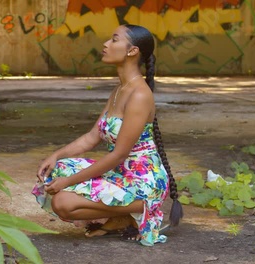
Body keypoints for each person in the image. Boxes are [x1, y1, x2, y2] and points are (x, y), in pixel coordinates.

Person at [31, 24, 183, 246]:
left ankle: (142, 207)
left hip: (141, 180)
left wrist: (68, 182)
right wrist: (55, 155)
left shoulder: (140, 94)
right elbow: (93, 136)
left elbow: (118, 155)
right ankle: (120, 216)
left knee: (63, 202)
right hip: (120, 172)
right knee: (56, 170)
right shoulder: (120, 89)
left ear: (132, 51)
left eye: (114, 40)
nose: (105, 44)